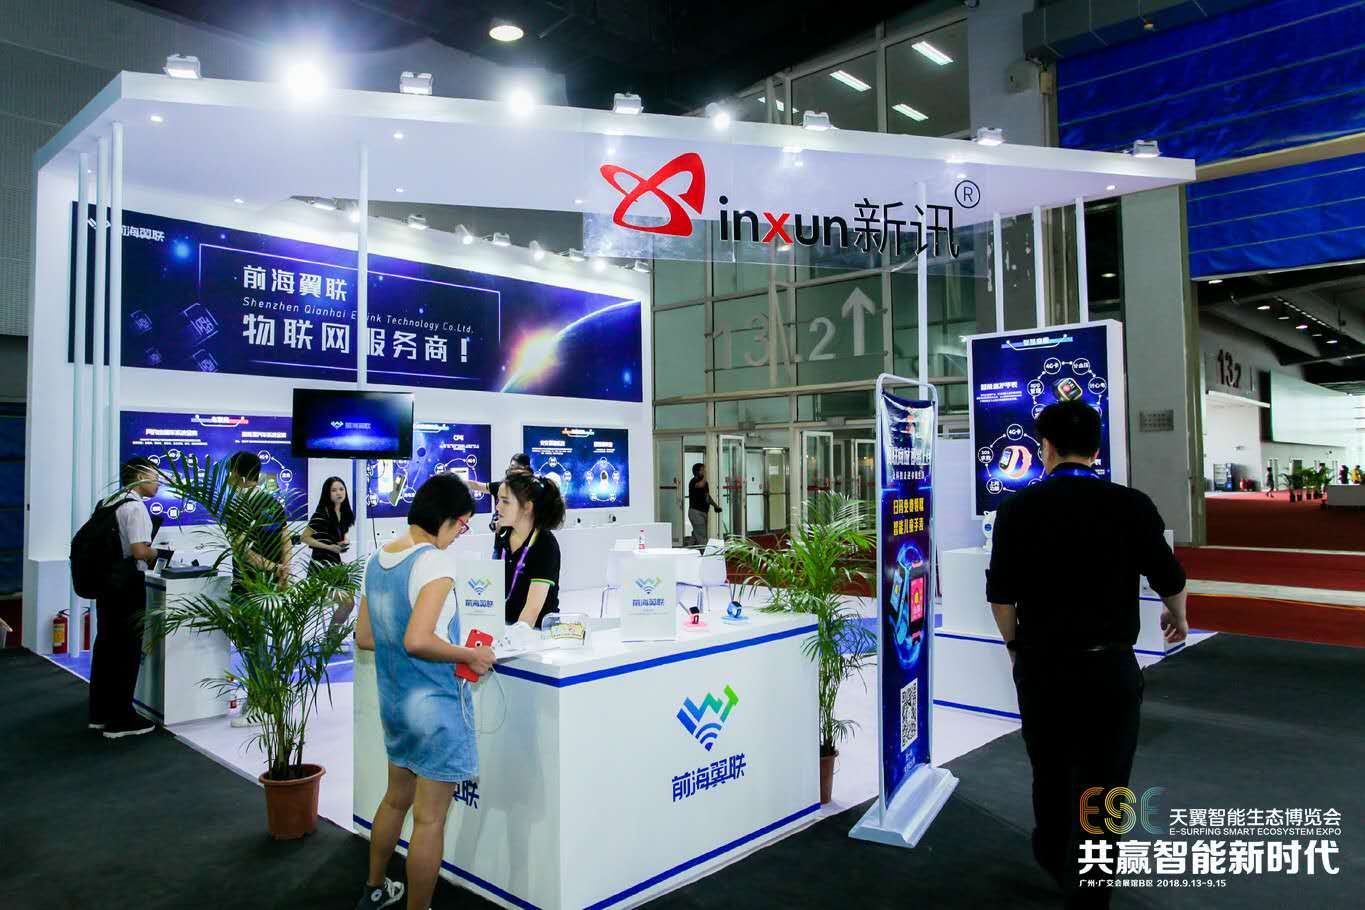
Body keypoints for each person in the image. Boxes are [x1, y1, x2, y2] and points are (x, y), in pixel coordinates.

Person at [987, 400, 1188, 909]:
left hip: (1042, 666)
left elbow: (1001, 596)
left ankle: (1056, 857)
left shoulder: (1017, 509)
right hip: (1109, 668)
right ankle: (1093, 890)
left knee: (1050, 770)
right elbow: (1169, 577)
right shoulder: (1131, 505)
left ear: (1046, 449)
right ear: (1097, 451)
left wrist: (1015, 648)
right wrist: (1178, 616)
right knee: (1106, 781)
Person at [353, 473, 494, 910]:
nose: (459, 535)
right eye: (463, 525)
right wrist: (469, 655)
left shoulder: (379, 558)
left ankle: (374, 889)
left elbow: (365, 637)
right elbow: (417, 639)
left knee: (395, 800)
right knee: (430, 820)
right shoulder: (434, 563)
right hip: (434, 710)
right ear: (448, 518)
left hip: (396, 704)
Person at [89, 457, 163, 739]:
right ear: (140, 476)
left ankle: (100, 713)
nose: (158, 482)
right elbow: (139, 551)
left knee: (106, 645)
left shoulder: (109, 502)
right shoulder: (135, 507)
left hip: (106, 582)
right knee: (127, 650)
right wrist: (160, 554)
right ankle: (121, 718)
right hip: (127, 585)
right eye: (155, 476)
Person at [494, 472, 565, 628]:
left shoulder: (545, 545)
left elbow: (531, 612)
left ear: (527, 507)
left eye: (505, 501)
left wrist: (510, 638)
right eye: (498, 500)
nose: (498, 507)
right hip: (506, 625)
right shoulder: (503, 533)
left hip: (538, 632)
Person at [225, 452, 291, 592]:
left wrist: (277, 569)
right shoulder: (273, 502)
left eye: (229, 472)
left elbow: (242, 550)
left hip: (248, 587)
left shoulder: (236, 507)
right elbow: (286, 540)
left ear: (235, 472)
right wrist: (284, 572)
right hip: (275, 582)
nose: (228, 478)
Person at [302, 476, 356, 638]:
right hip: (321, 567)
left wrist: (345, 541)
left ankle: (331, 637)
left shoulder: (344, 513)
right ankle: (331, 638)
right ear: (328, 493)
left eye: (341, 489)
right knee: (347, 602)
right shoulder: (322, 513)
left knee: (350, 603)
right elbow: (304, 537)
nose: (339, 493)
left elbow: (342, 533)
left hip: (335, 565)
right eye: (334, 490)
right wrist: (329, 547)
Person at [467, 453, 532, 532]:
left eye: (505, 501)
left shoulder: (530, 491)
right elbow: (477, 485)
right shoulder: (501, 486)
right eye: (511, 466)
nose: (498, 507)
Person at [686, 463, 722, 546]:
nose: (704, 471)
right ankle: (704, 552)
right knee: (702, 536)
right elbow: (700, 485)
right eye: (702, 470)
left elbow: (707, 497)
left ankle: (688, 550)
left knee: (696, 535)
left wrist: (715, 506)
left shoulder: (705, 483)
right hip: (696, 513)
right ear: (696, 472)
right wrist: (706, 475)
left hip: (703, 512)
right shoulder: (693, 481)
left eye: (704, 470)